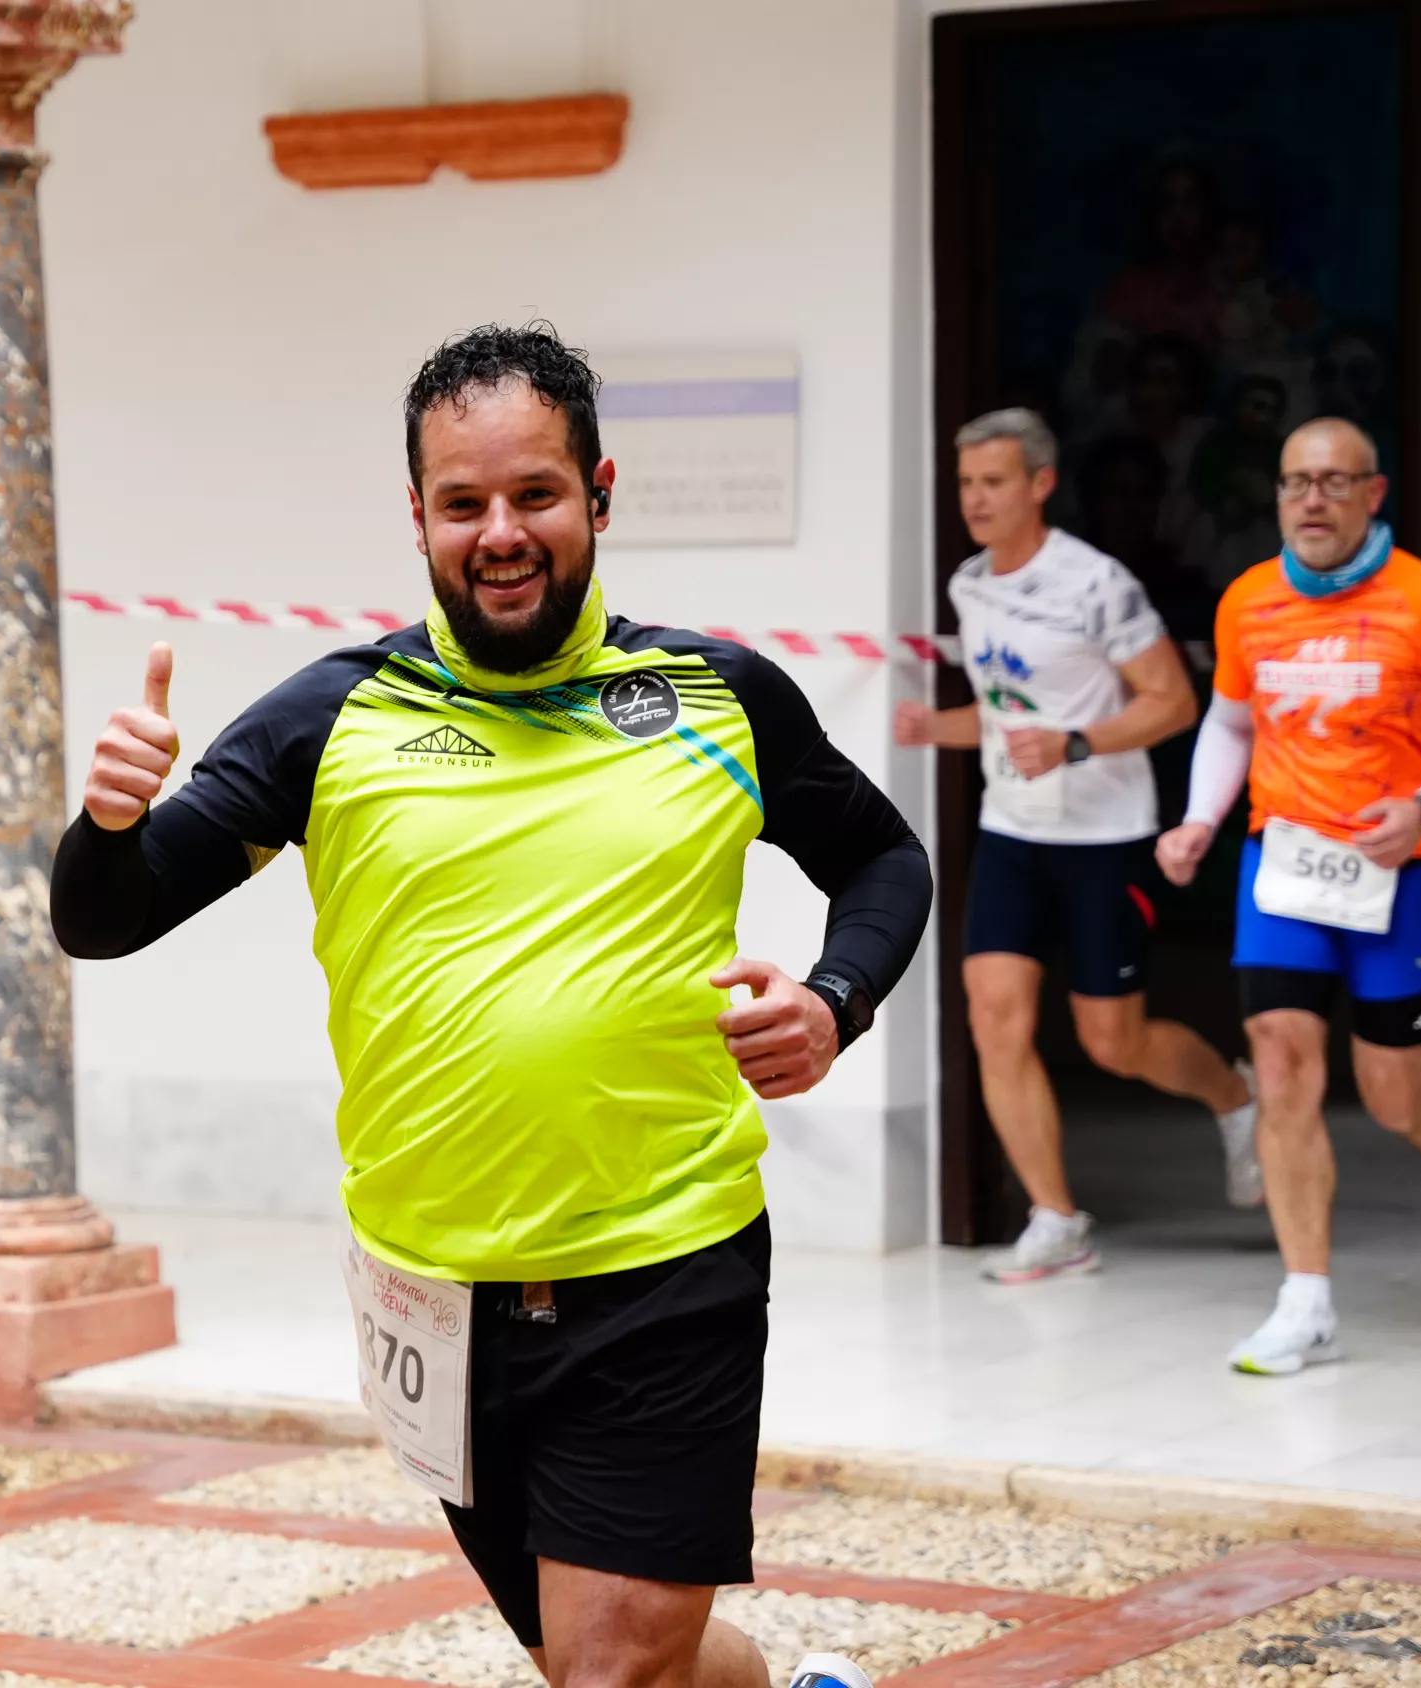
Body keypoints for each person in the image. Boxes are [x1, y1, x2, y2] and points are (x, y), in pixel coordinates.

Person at [51, 324, 931, 1688]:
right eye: (463, 504)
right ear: (418, 517)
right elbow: (102, 923)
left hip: (665, 1263)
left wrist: (833, 1001)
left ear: (601, 492)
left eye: (535, 494)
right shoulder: (333, 718)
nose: (501, 532)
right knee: (616, 1656)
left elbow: (884, 856)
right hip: (435, 1297)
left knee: (608, 1673)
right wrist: (109, 822)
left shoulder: (715, 698)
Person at [1155, 417, 1421, 1376]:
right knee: (1280, 1064)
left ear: (1375, 493)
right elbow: (1231, 726)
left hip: (1405, 870)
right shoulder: (1248, 602)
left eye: (1331, 482)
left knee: (1395, 1095)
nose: (1310, 501)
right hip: (1283, 865)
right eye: (1293, 483)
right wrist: (1201, 818)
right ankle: (1305, 1300)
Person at [897, 409, 1256, 1284]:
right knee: (995, 1017)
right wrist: (931, 725)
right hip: (1013, 831)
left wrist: (1077, 743)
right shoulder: (970, 585)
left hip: (1105, 836)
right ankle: (1056, 1220)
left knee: (1112, 1042)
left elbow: (1171, 700)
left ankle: (1234, 1096)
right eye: (967, 484)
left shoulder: (1098, 583)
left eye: (994, 482)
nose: (976, 500)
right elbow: (1007, 710)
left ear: (1040, 485)